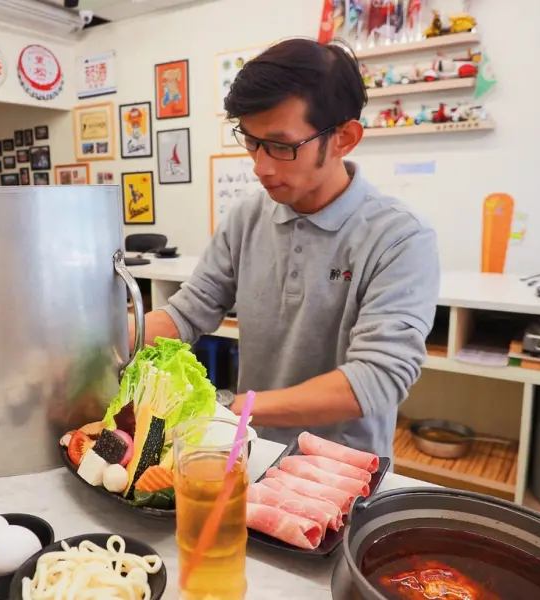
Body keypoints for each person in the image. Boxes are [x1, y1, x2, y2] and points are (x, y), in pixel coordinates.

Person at [131, 38, 440, 459]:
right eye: (251, 141)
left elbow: (378, 376)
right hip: (251, 450)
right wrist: (106, 345)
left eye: (281, 146)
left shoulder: (399, 237)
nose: (261, 166)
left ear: (344, 138)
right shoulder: (248, 217)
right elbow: (189, 311)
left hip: (339, 467)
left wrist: (227, 408)